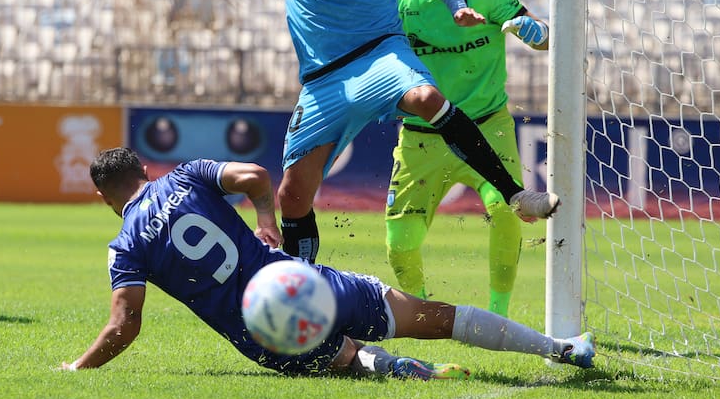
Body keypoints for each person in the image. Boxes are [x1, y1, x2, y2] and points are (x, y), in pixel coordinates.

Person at [203, 0, 560, 263]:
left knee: (427, 98)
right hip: (323, 79)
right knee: (292, 195)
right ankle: (303, 291)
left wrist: (456, 3)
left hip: (380, 54)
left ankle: (516, 195)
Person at [60, 147, 595, 378]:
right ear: (144, 170)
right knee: (431, 316)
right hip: (295, 279)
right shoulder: (183, 176)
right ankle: (561, 349)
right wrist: (266, 220)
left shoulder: (126, 244)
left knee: (342, 358)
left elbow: (124, 325)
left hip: (261, 331)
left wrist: (79, 367)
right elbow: (253, 176)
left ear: (107, 197)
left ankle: (387, 367)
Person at [385, 0, 552, 316]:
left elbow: (543, 37)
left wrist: (537, 32)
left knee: (508, 210)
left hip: (487, 124)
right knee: (399, 243)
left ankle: (498, 313)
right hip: (422, 135)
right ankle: (424, 316)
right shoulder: (398, 0)